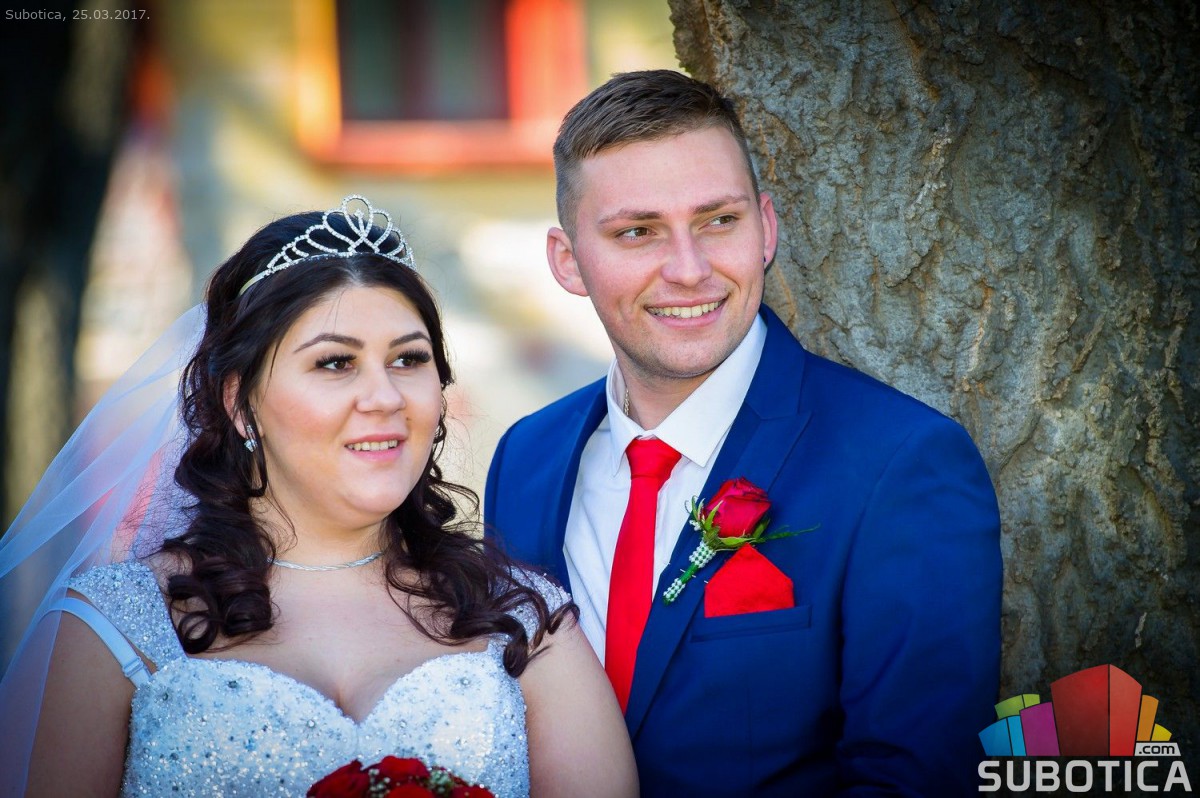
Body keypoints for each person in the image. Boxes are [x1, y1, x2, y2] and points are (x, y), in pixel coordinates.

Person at [0, 196, 637, 798]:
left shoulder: (524, 619)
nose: (385, 397)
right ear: (239, 403)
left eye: (409, 360)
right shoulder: (118, 624)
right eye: (335, 363)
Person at [485, 70, 1003, 796]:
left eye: (718, 221)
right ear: (569, 261)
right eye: (637, 232)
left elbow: (915, 779)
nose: (689, 269)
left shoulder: (900, 463)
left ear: (766, 228)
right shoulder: (525, 460)